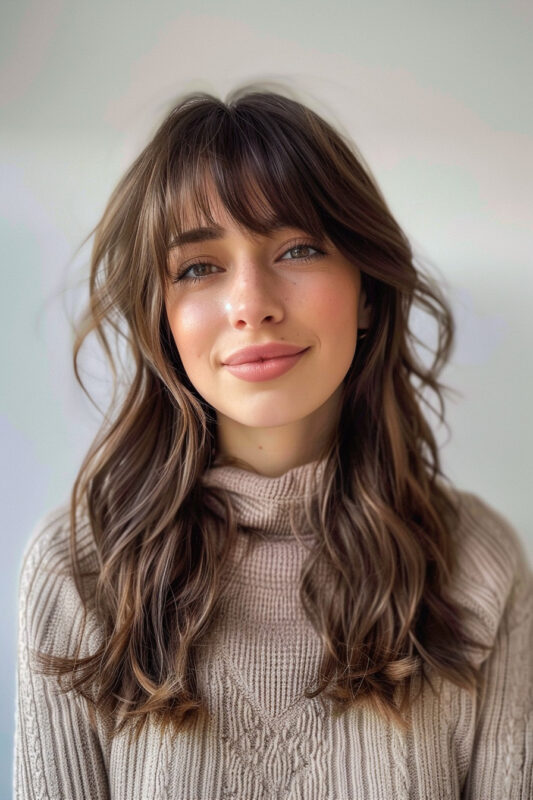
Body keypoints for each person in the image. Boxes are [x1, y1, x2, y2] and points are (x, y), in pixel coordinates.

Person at [14, 83, 532, 799]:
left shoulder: (477, 563)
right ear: (162, 318)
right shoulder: (80, 573)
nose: (251, 303)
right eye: (198, 267)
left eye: (297, 248)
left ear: (368, 294)